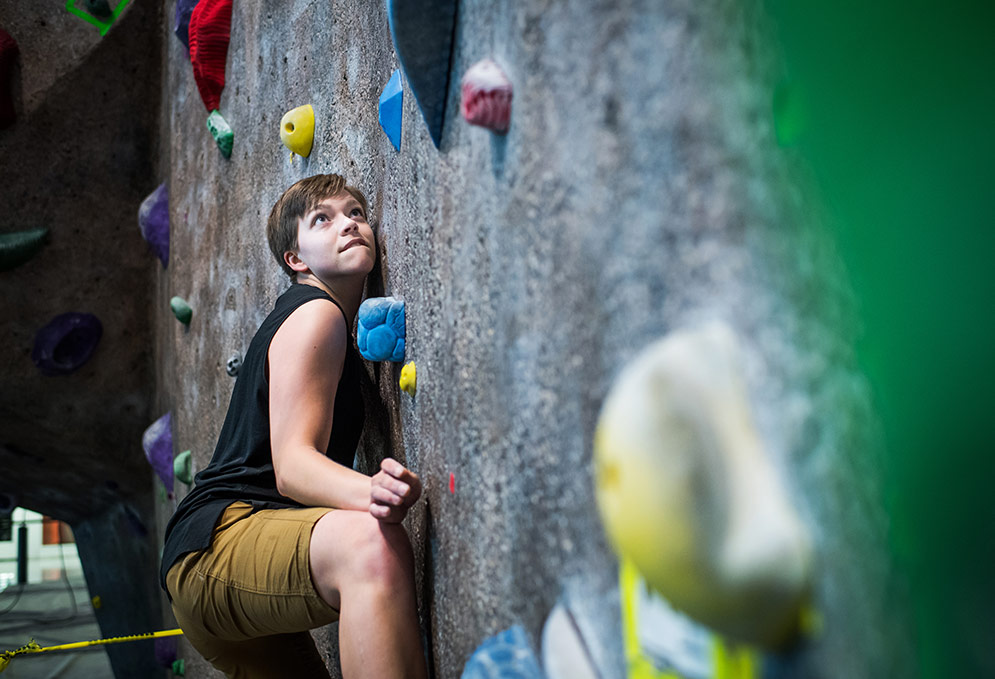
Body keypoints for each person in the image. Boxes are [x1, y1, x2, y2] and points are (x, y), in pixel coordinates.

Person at [160, 174, 428, 679]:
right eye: (322, 219)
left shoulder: (323, 323)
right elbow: (293, 467)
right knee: (371, 546)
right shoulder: (316, 313)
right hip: (222, 542)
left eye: (355, 213)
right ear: (295, 259)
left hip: (212, 577)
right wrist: (370, 489)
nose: (348, 223)